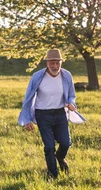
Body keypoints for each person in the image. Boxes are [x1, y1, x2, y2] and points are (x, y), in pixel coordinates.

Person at [18, 49, 78, 179]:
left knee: (65, 143)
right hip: (42, 115)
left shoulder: (66, 75)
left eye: (58, 63)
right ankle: (53, 174)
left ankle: (60, 158)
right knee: (49, 146)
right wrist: (27, 119)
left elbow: (71, 95)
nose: (55, 66)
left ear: (61, 63)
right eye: (52, 63)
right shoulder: (37, 77)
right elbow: (28, 98)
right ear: (47, 63)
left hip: (60, 113)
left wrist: (71, 103)